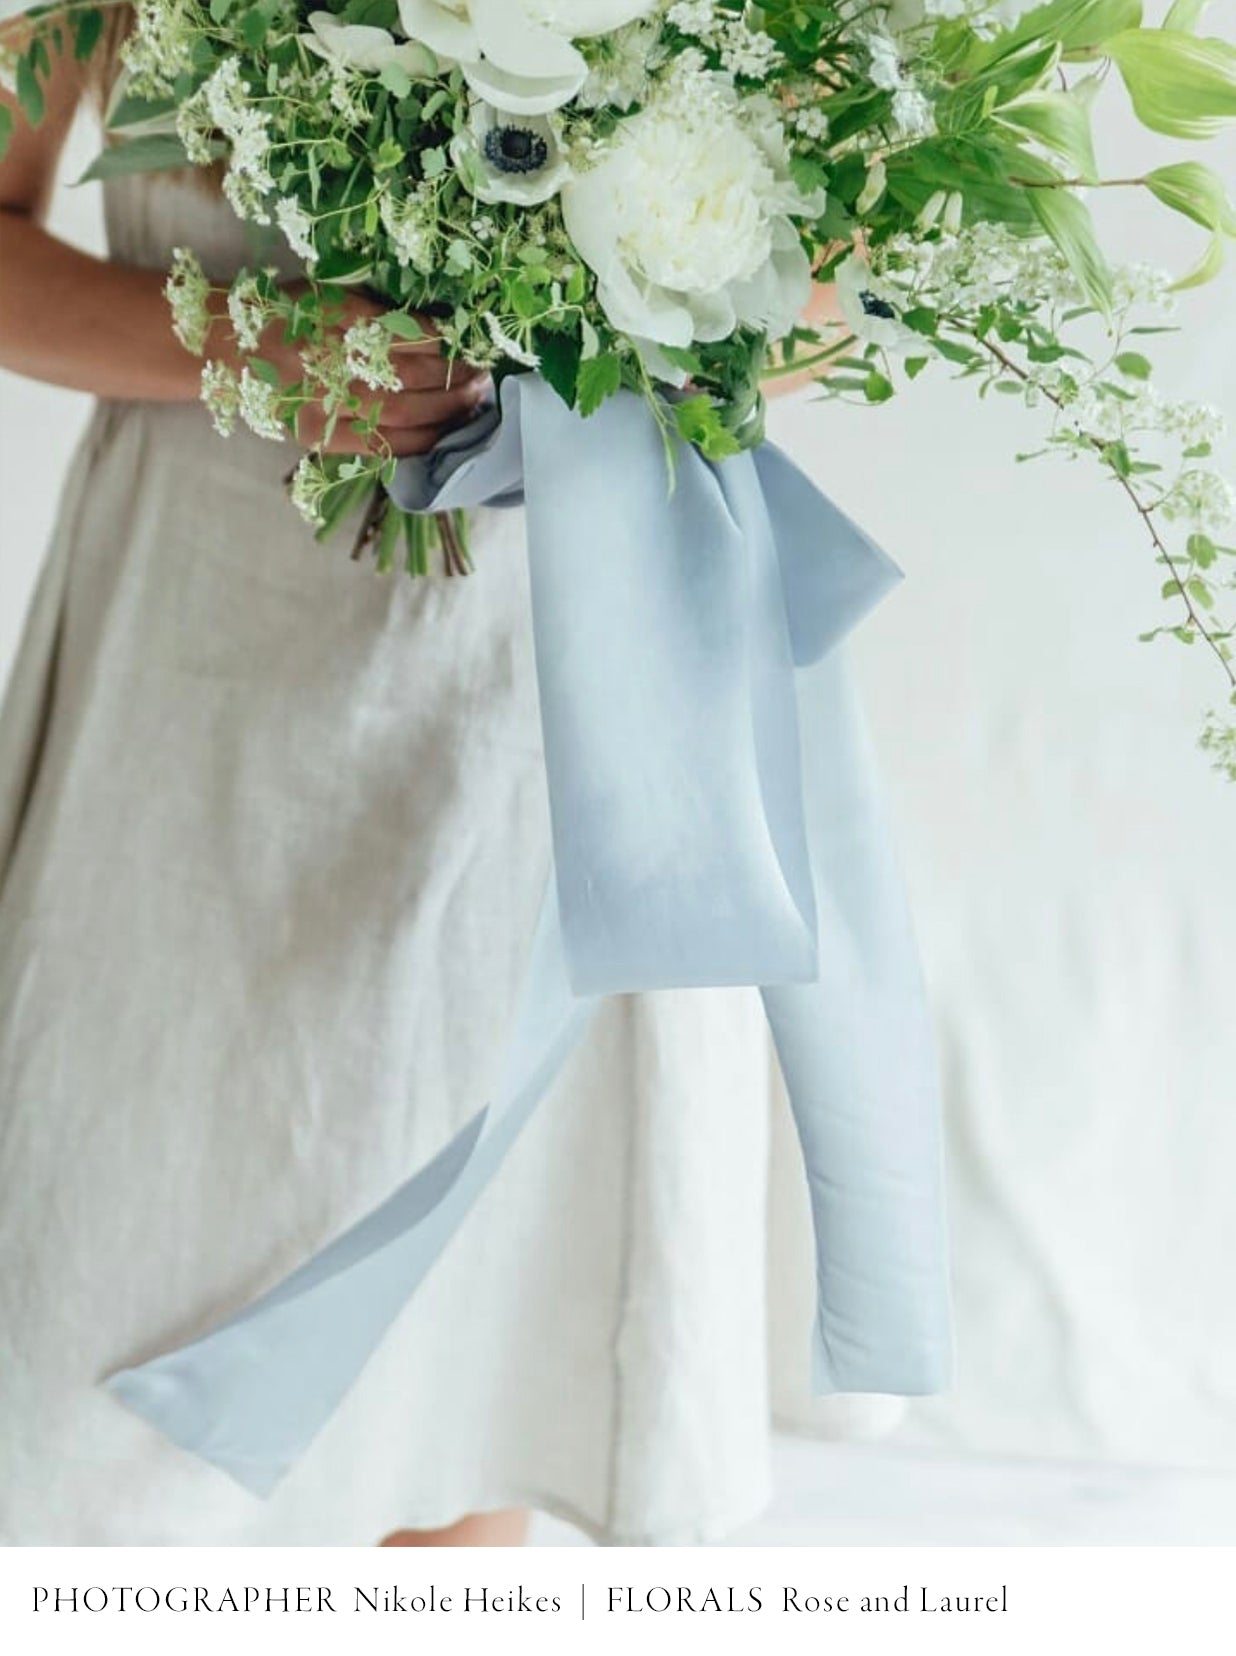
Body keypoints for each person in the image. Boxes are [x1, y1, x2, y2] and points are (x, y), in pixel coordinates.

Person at [0, 11, 860, 1547]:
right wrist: (252, 349)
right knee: (123, 1249)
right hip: (200, 664)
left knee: (472, 1325)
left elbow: (849, 269)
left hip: (550, 658)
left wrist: (577, 371)